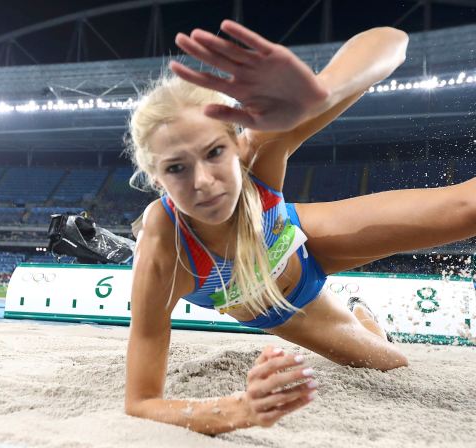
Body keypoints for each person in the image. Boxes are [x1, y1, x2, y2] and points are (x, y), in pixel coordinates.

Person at [124, 20, 476, 435]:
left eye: (214, 152)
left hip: (303, 236)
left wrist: (323, 90)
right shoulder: (165, 252)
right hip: (289, 308)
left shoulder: (257, 152)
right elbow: (141, 401)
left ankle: (359, 311)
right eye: (177, 168)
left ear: (236, 146)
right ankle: (364, 320)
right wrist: (238, 409)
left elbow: (392, 43)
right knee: (390, 363)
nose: (202, 181)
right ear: (156, 180)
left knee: (467, 209)